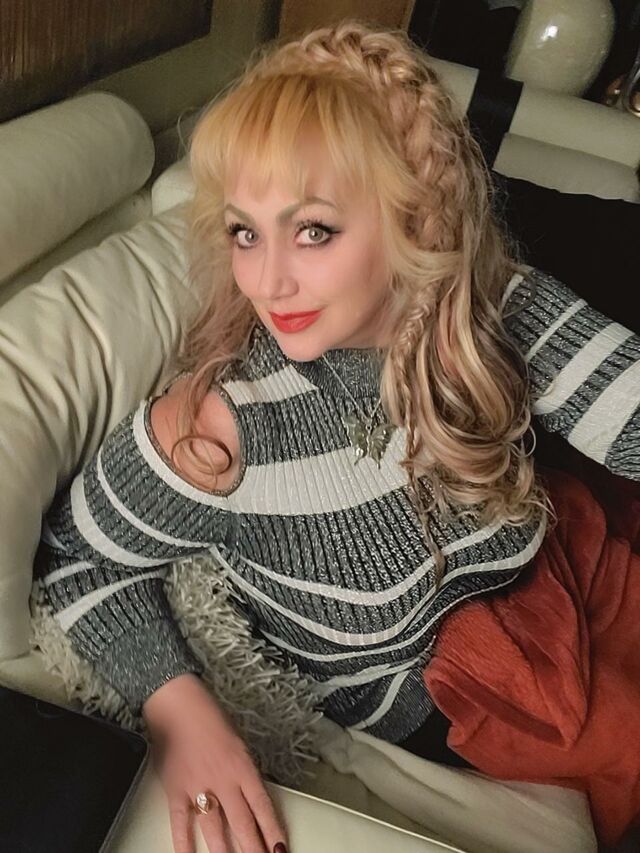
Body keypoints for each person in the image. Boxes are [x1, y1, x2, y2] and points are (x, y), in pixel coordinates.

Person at [34, 20, 639, 853]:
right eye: (245, 231)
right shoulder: (223, 426)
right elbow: (78, 562)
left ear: (414, 217)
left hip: (565, 559)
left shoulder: (481, 305)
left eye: (312, 229)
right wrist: (180, 713)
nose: (267, 279)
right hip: (468, 695)